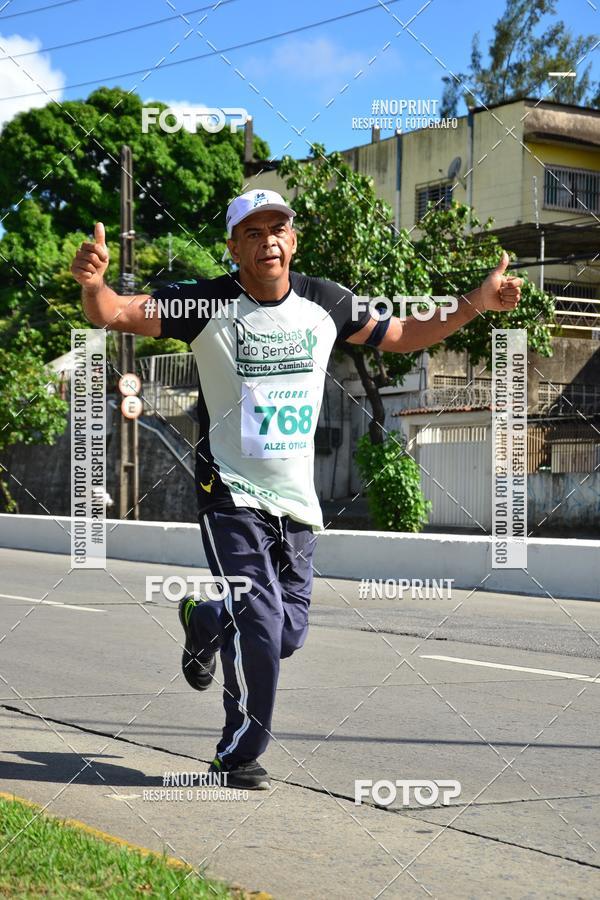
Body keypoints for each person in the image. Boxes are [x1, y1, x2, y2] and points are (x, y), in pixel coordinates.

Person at [71, 188, 522, 790]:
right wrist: (94, 285)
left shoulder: (326, 301)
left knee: (285, 635)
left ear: (294, 239)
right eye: (252, 233)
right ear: (234, 248)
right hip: (229, 493)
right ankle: (239, 755)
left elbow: (405, 333)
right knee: (260, 623)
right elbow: (115, 313)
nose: (268, 242)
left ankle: (205, 621)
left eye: (277, 229)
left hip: (297, 503)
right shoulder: (205, 303)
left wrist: (474, 304)